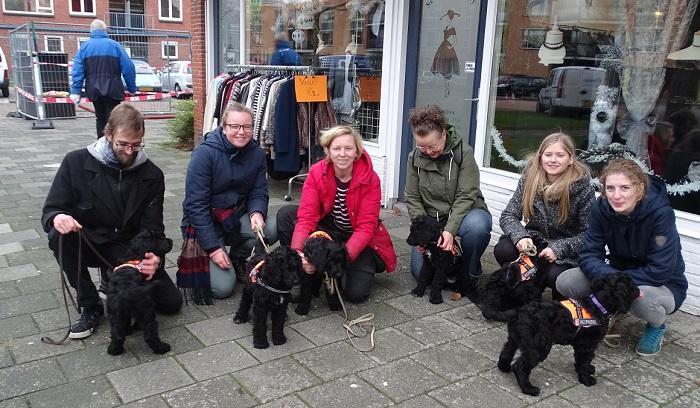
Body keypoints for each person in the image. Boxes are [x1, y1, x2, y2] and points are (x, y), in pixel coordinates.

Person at [41, 104, 182, 339]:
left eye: (136, 145)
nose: (129, 151)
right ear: (108, 134)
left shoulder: (152, 174)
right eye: (123, 144)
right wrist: (59, 217)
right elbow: (51, 208)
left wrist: (153, 259)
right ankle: (90, 304)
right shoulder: (75, 162)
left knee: (171, 303)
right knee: (59, 236)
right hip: (88, 242)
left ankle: (111, 279)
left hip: (128, 250)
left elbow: (153, 228)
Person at [556, 159, 687, 356]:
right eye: (610, 188)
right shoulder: (601, 208)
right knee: (566, 281)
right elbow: (589, 255)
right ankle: (607, 315)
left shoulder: (661, 214)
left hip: (661, 283)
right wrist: (614, 279)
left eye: (625, 188)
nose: (616, 196)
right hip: (617, 273)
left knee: (641, 301)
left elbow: (660, 270)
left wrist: (618, 283)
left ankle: (656, 326)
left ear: (639, 188)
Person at [277, 125, 397, 303]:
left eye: (348, 148)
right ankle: (303, 271)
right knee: (286, 215)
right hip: (329, 229)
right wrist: (299, 254)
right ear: (327, 150)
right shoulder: (317, 172)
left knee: (356, 295)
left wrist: (339, 258)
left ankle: (334, 267)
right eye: (336, 148)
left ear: (357, 151)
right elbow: (306, 218)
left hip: (356, 236)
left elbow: (366, 227)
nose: (342, 154)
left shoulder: (371, 179)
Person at [179, 102, 277, 302]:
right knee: (223, 289)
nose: (241, 132)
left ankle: (237, 257)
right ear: (223, 127)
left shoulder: (257, 154)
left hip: (234, 217)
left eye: (247, 127)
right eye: (235, 126)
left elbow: (259, 190)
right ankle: (214, 254)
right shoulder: (204, 155)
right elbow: (195, 207)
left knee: (273, 229)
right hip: (207, 223)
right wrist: (213, 249)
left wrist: (256, 212)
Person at [404, 104, 492, 299]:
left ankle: (470, 271)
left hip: (464, 213)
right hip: (432, 220)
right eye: (421, 146)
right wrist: (422, 234)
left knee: (478, 226)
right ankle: (447, 267)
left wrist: (449, 231)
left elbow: (466, 195)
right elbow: (412, 196)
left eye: (432, 145)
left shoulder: (464, 153)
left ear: (443, 134)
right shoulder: (413, 158)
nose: (427, 151)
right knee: (420, 274)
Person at [495, 132, 594, 299]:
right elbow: (508, 215)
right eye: (548, 154)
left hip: (565, 250)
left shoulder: (583, 189)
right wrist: (521, 237)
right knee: (503, 249)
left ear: (570, 159)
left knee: (555, 276)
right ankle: (524, 290)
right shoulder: (529, 179)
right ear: (541, 157)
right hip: (535, 241)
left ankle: (555, 296)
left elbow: (589, 234)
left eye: (560, 155)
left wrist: (558, 248)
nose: (553, 160)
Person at [70, 19, 136, 139]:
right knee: (114, 118)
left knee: (100, 117)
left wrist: (76, 91)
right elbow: (128, 67)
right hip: (113, 88)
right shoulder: (115, 45)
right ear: (105, 30)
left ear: (91, 30)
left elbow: (77, 71)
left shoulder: (84, 47)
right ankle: (115, 143)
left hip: (93, 89)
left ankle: (101, 144)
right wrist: (131, 87)